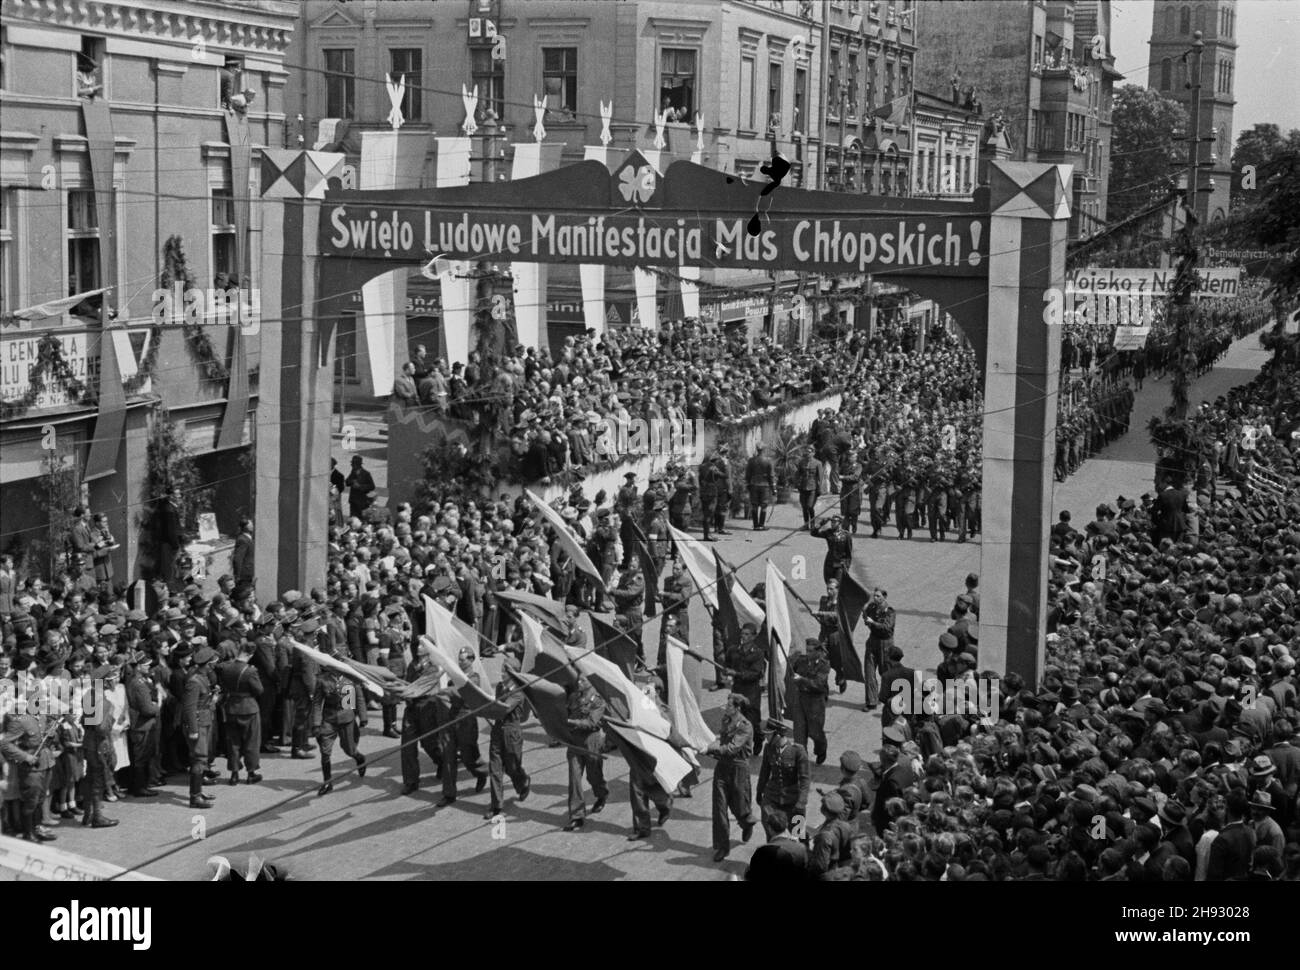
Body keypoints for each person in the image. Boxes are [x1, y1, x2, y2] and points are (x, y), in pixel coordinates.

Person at [0, 683, 60, 841]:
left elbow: (45, 738)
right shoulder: (21, 721)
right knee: (30, 801)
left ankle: (37, 827)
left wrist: (52, 733)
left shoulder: (42, 717)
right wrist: (25, 757)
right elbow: (5, 744)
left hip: (45, 763)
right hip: (30, 768)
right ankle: (28, 833)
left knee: (40, 798)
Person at [433, 647, 488, 807]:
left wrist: (443, 691)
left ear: (471, 660)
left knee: (468, 756)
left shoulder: (474, 677)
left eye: (463, 659)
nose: (460, 662)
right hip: (452, 720)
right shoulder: (455, 676)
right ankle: (449, 794)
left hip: (466, 721)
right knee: (448, 756)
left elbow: (461, 692)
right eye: (459, 659)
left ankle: (482, 772)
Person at [706, 692, 757, 862]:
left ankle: (747, 822)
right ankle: (722, 846)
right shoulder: (726, 720)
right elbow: (722, 743)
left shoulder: (745, 726)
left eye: (729, 706)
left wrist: (712, 749)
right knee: (719, 808)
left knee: (740, 805)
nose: (726, 708)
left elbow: (732, 748)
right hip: (722, 768)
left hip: (738, 768)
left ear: (737, 708)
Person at [310, 648, 367, 797]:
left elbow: (358, 698)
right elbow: (317, 703)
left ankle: (359, 758)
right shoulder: (323, 680)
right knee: (325, 751)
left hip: (346, 717)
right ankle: (327, 782)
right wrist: (316, 723)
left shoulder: (351, 678)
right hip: (328, 719)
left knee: (349, 749)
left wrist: (363, 717)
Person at [485, 648, 531, 819]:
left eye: (505, 670)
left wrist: (487, 709)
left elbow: (504, 709)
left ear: (512, 673)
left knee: (512, 767)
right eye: (502, 669)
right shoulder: (500, 687)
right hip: (498, 730)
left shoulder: (518, 692)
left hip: (512, 732)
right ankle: (496, 805)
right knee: (495, 767)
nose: (501, 673)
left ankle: (523, 781)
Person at [562, 675, 608, 831]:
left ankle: (601, 794)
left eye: (583, 681)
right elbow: (565, 712)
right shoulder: (574, 697)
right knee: (574, 778)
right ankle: (577, 816)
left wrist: (571, 722)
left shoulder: (598, 700)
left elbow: (592, 723)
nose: (579, 683)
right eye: (579, 680)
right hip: (575, 741)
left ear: (591, 682)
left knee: (594, 775)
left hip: (592, 741)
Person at [217, 640, 263, 785]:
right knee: (251, 741)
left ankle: (234, 774)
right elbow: (259, 690)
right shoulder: (251, 671)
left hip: (231, 708)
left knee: (233, 742)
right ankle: (251, 773)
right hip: (249, 708)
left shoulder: (225, 668)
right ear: (250, 654)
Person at [755, 717, 810, 841]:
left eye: (768, 735)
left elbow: (805, 779)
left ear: (778, 735)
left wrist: (801, 802)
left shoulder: (798, 751)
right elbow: (764, 771)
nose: (766, 738)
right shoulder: (768, 748)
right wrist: (759, 791)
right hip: (772, 797)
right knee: (770, 830)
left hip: (794, 801)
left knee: (798, 835)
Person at [182, 647, 218, 809]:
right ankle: (194, 796)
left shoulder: (203, 677)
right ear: (208, 664)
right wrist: (193, 730)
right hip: (198, 724)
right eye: (213, 663)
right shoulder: (194, 682)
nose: (215, 666)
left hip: (205, 720)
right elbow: (189, 707)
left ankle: (199, 791)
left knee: (202, 758)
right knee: (199, 758)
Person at [725, 623, 766, 756]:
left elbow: (755, 673)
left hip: (751, 691)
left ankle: (758, 738)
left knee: (752, 719)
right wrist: (727, 673)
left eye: (747, 634)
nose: (744, 637)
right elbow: (727, 663)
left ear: (754, 636)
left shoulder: (758, 653)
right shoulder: (733, 650)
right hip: (737, 688)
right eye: (742, 634)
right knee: (734, 717)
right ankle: (739, 746)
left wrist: (736, 673)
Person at [789, 638, 830, 765]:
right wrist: (790, 659)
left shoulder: (824, 665)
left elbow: (818, 684)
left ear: (818, 652)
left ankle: (821, 749)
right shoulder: (801, 660)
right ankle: (802, 761)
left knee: (815, 732)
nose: (808, 654)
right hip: (801, 699)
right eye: (807, 650)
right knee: (799, 733)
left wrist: (801, 680)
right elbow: (790, 668)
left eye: (811, 651)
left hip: (815, 702)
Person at [743, 808, 808, 881]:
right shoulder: (801, 848)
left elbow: (751, 876)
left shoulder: (763, 851)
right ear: (786, 825)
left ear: (769, 828)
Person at [808, 790, 856, 879]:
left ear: (824, 810)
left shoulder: (825, 835)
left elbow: (820, 866)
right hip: (840, 870)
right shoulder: (846, 826)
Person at [810, 513, 853, 585]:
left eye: (834, 522)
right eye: (831, 522)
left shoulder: (846, 535)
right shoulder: (828, 532)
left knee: (837, 585)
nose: (832, 524)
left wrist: (847, 566)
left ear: (840, 523)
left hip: (840, 564)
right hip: (829, 562)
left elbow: (849, 554)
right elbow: (813, 533)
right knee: (828, 583)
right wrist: (821, 523)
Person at [745, 444, 777, 530]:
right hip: (765, 485)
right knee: (764, 505)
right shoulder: (769, 461)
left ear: (757, 449)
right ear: (764, 450)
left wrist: (748, 484)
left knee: (754, 505)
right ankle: (761, 525)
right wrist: (774, 488)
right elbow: (771, 475)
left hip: (753, 484)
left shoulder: (751, 460)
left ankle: (755, 525)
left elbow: (747, 474)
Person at [345, 455, 376, 521]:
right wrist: (352, 481)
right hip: (353, 501)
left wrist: (360, 486)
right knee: (353, 520)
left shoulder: (366, 474)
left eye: (353, 464)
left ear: (358, 464)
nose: (352, 466)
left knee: (362, 519)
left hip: (362, 501)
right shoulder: (353, 472)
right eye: (352, 464)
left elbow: (372, 486)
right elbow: (347, 482)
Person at [231, 518, 254, 590]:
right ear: (246, 527)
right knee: (244, 593)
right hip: (244, 575)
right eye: (251, 524)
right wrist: (237, 576)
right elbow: (238, 559)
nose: (253, 526)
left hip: (248, 573)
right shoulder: (242, 540)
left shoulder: (248, 538)